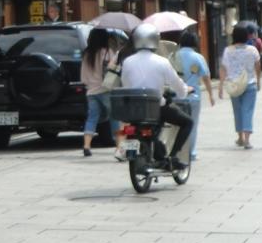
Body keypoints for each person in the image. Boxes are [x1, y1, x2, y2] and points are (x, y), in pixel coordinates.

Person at [120, 23, 194, 170]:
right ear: (155, 40)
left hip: (134, 109)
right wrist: (185, 90)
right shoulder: (162, 62)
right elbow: (176, 83)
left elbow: (125, 83)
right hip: (155, 107)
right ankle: (173, 156)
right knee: (188, 122)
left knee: (139, 128)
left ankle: (138, 153)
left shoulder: (127, 61)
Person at [80, 28, 125, 159]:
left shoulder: (87, 54)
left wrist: (90, 84)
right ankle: (119, 147)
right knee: (114, 118)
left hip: (91, 91)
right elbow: (114, 69)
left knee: (92, 118)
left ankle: (86, 146)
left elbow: (83, 77)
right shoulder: (107, 52)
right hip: (106, 90)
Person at [220, 22, 262, 148]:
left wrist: (221, 85)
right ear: (246, 36)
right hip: (249, 83)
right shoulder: (252, 50)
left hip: (234, 85)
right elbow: (258, 66)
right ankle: (247, 140)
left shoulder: (228, 51)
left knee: (237, 110)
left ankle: (240, 137)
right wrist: (258, 80)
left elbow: (223, 68)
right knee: (248, 111)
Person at [175, 31, 215, 160]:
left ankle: (176, 151)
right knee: (192, 125)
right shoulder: (197, 58)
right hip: (193, 97)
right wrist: (210, 94)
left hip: (176, 96)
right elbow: (206, 77)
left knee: (176, 125)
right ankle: (190, 153)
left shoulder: (173, 56)